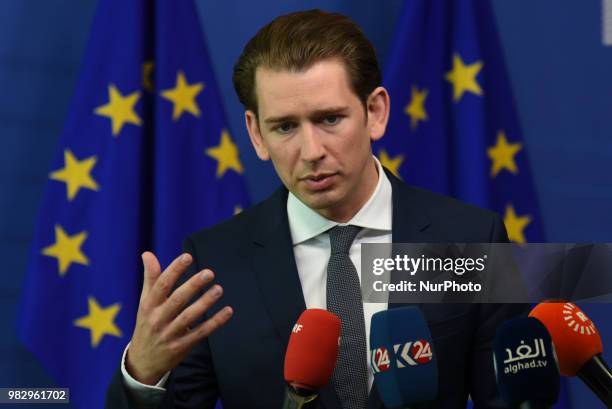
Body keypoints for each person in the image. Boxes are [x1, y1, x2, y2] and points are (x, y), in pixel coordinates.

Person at [106, 9, 524, 409]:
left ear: (374, 112)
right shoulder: (217, 262)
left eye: (329, 119)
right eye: (285, 126)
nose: (311, 151)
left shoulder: (469, 241)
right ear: (256, 133)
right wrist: (143, 372)